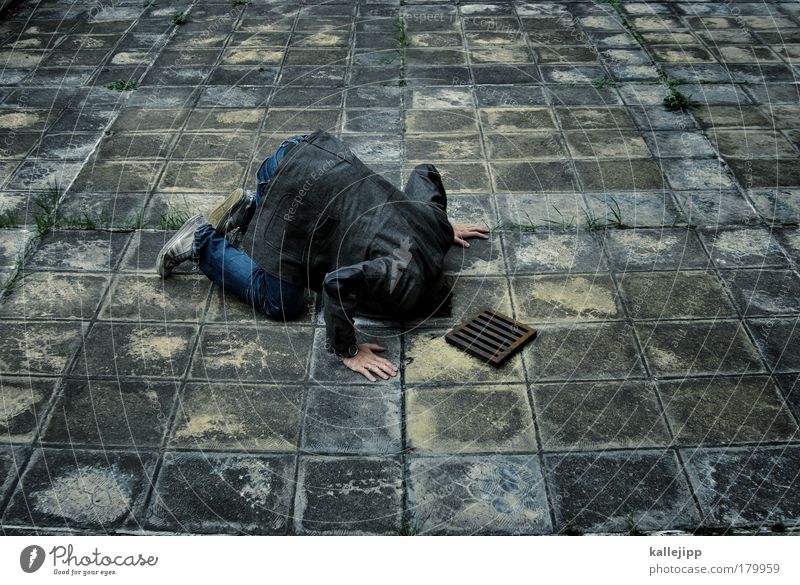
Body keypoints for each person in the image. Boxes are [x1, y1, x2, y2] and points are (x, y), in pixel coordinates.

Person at [156, 129, 489, 382]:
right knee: (285, 302)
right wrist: (348, 349)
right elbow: (337, 283)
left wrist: (442, 226)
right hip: (289, 188)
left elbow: (426, 172)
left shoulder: (434, 227)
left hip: (305, 150)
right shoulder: (397, 280)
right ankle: (203, 241)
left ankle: (249, 213)